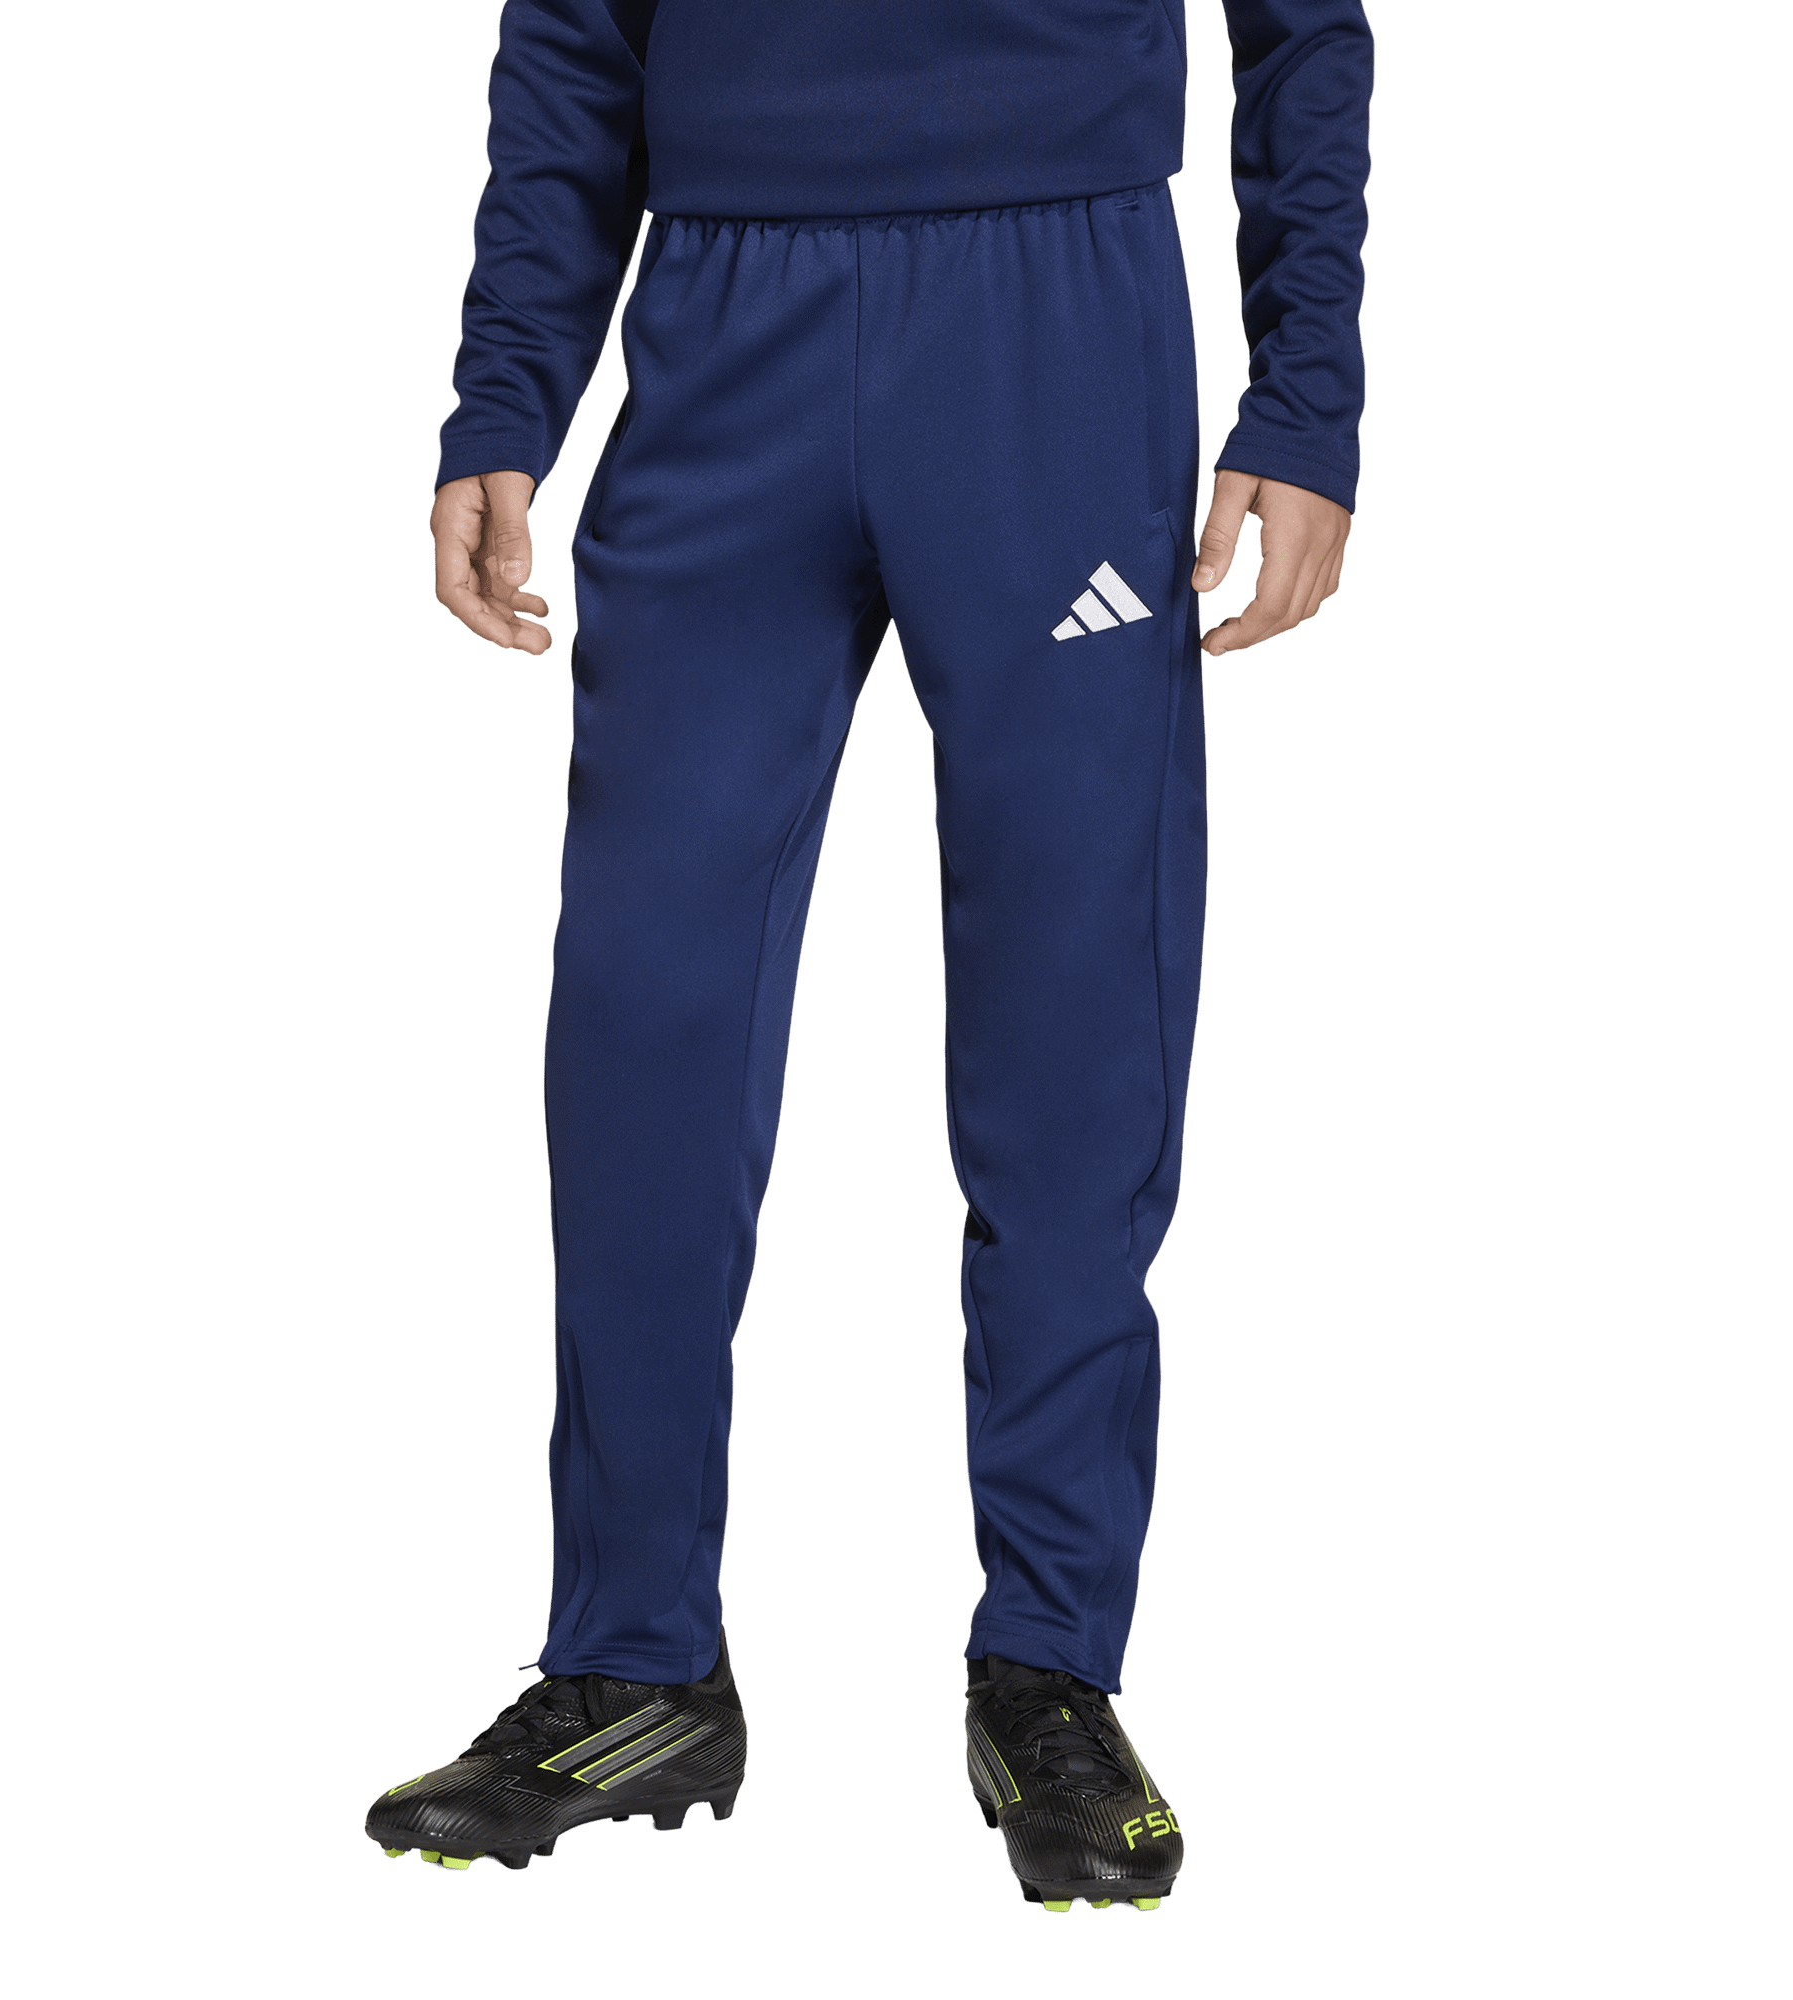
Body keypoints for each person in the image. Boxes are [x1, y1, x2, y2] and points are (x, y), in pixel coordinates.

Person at [364, 0, 1373, 1914]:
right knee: (645, 1014)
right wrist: (505, 390)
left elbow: (1304, 20)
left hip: (1056, 320)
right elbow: (573, 26)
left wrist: (1305, 389)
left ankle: (1051, 1670)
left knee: (1073, 1014)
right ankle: (633, 1665)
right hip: (717, 321)